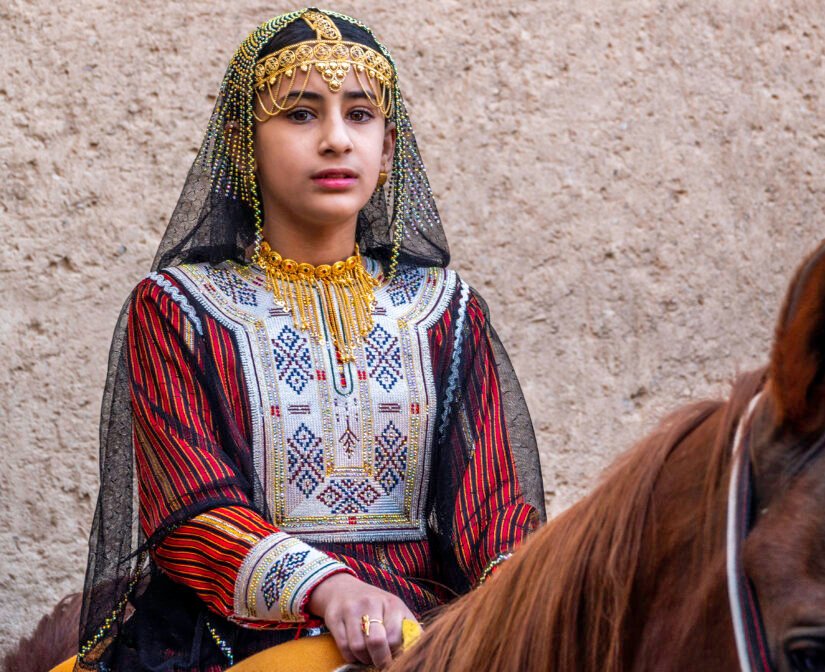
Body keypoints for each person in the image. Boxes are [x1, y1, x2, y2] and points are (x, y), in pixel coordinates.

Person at [77, 8, 545, 671]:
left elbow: (491, 509)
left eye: (360, 114)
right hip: (234, 637)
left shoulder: (445, 310)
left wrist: (531, 591)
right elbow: (193, 510)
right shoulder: (180, 309)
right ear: (243, 142)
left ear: (388, 147)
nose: (336, 140)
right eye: (300, 113)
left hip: (418, 628)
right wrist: (332, 589)